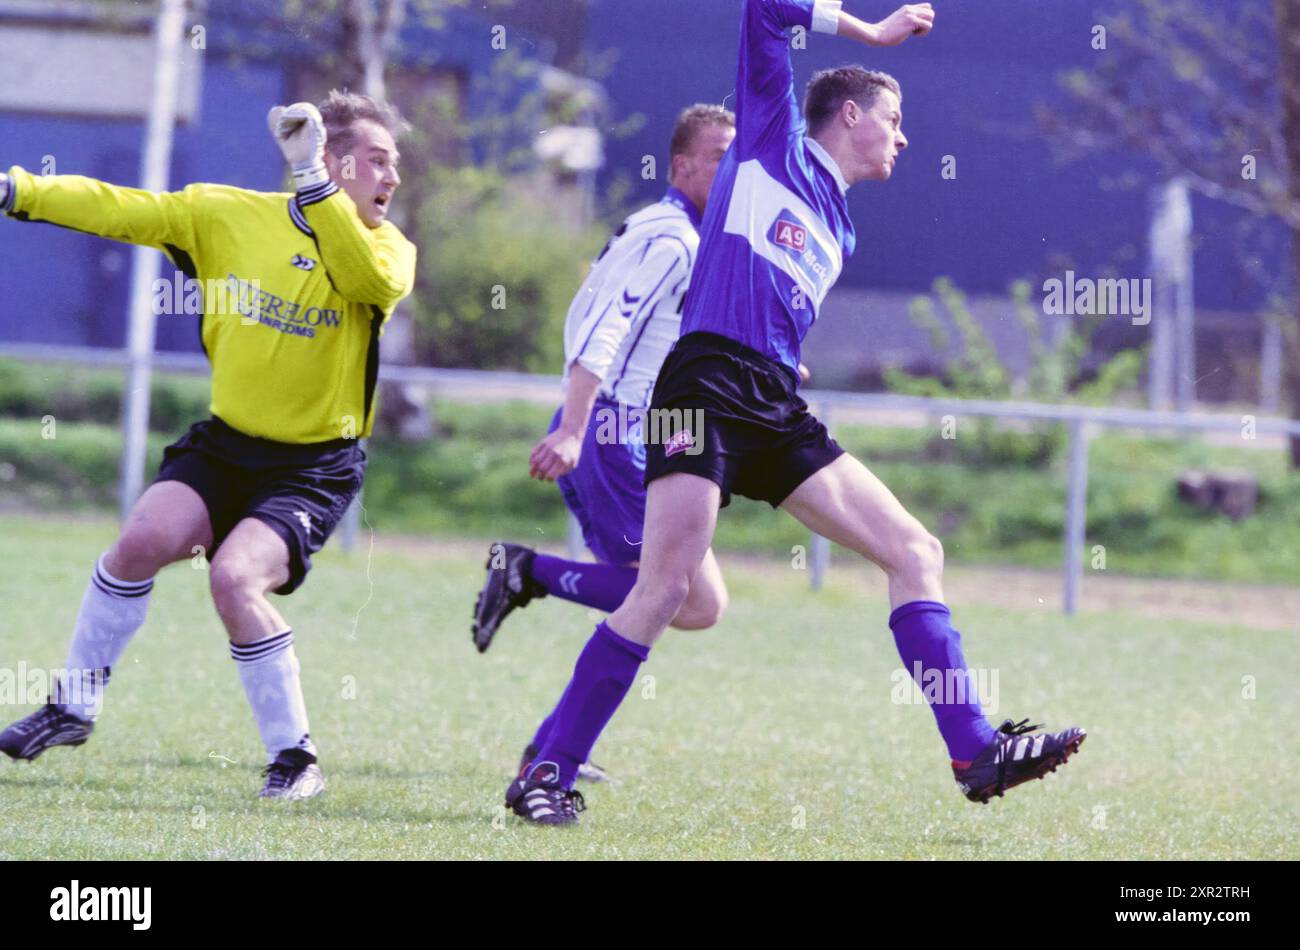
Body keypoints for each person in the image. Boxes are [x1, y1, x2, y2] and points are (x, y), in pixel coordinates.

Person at [505, 0, 1085, 825]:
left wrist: (777, 345)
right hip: (697, 388)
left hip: (771, 400)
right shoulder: (773, 137)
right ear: (848, 115)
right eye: (894, 117)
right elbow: (764, 9)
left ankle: (975, 750)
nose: (904, 136)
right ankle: (546, 772)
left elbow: (754, 286)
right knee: (665, 587)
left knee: (916, 550)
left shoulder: (841, 222)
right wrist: (872, 32)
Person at [0, 91, 417, 801]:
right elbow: (122, 208)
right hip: (226, 445)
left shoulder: (388, 248)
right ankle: (72, 707)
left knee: (233, 580)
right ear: (338, 160)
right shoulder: (227, 215)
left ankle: (295, 757)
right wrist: (19, 189)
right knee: (139, 542)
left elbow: (361, 279)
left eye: (395, 163)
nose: (394, 176)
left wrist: (314, 182)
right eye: (379, 160)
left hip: (313, 465)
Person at [471, 104, 738, 783]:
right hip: (620, 433)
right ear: (682, 166)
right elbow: (605, 329)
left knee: (695, 603)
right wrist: (573, 425)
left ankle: (551, 737)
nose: (734, 168)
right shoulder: (671, 236)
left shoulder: (694, 237)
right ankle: (527, 581)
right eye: (720, 155)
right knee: (665, 594)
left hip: (661, 432)